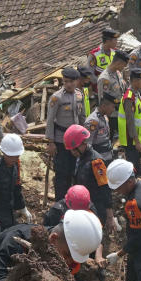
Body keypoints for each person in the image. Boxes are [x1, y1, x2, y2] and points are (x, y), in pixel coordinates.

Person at [64, 125, 114, 232]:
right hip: (83, 205)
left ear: (83, 144)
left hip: (96, 207)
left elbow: (105, 188)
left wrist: (110, 216)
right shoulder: (79, 158)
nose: (73, 153)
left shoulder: (96, 162)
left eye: (74, 150)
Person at [46, 67, 84, 201]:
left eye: (71, 82)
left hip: (76, 141)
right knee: (61, 174)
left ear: (76, 81)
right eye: (66, 81)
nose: (68, 84)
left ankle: (72, 199)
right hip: (61, 141)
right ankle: (60, 203)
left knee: (73, 172)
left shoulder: (80, 95)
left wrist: (84, 139)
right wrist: (50, 143)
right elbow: (50, 121)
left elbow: (82, 117)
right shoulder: (57, 98)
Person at [0, 133, 29, 229]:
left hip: (10, 211)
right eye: (11, 156)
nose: (14, 159)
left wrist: (22, 207)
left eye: (16, 156)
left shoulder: (15, 165)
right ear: (3, 153)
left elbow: (16, 188)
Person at [119, 68, 141, 174]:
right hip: (131, 139)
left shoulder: (136, 94)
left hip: (137, 138)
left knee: (137, 160)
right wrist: (137, 142)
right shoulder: (129, 98)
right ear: (135, 81)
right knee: (132, 164)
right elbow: (130, 121)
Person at [97, 50, 129, 140]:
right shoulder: (105, 78)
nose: (124, 67)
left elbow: (123, 89)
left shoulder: (118, 73)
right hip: (111, 116)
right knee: (110, 139)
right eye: (124, 65)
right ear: (118, 62)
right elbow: (102, 101)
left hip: (120, 113)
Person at [85, 91, 116, 161]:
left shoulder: (105, 117)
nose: (113, 110)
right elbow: (88, 145)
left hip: (108, 156)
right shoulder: (93, 121)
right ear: (104, 106)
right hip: (98, 160)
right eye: (112, 107)